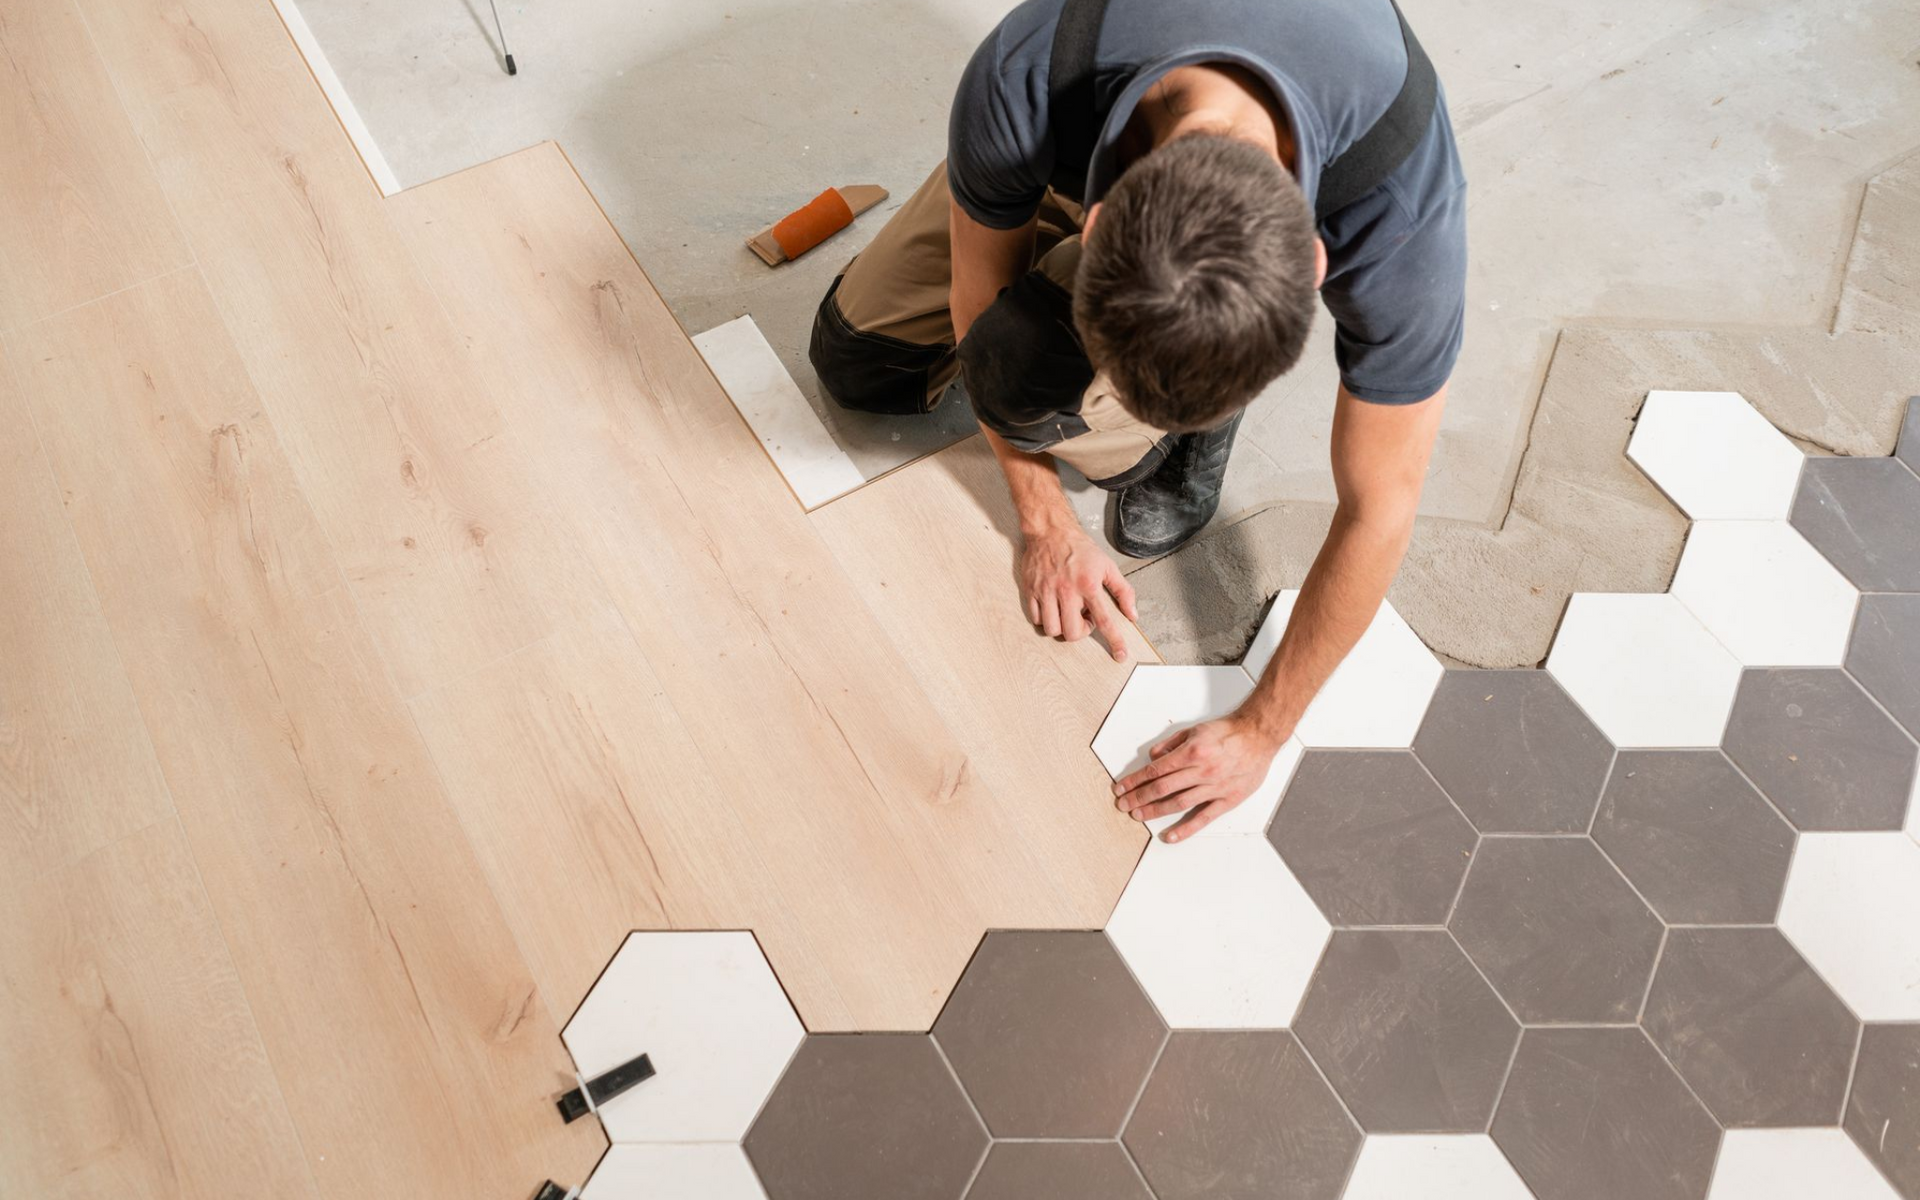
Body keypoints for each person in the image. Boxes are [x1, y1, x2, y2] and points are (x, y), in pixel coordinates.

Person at [808, 0, 1466, 839]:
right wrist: (1044, 519)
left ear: (1311, 262)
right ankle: (1142, 352)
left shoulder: (1399, 201)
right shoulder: (1026, 77)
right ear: (1099, 221)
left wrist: (1262, 728)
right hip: (1062, 150)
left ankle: (1198, 402)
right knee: (861, 365)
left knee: (1057, 396)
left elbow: (1382, 504)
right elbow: (979, 302)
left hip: (1170, 164)